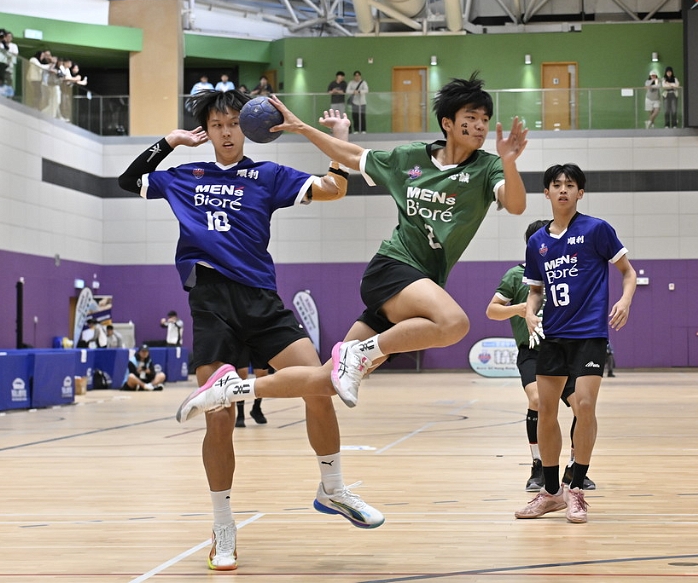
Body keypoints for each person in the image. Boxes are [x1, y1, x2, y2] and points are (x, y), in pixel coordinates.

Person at [119, 88, 382, 571]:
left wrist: (340, 140)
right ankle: (223, 524)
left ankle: (333, 487)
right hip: (211, 303)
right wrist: (170, 141)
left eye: (234, 123)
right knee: (219, 418)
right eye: (217, 125)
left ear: (248, 127)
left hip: (261, 301)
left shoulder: (268, 175)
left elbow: (334, 188)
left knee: (320, 385)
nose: (226, 132)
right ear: (206, 131)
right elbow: (128, 179)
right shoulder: (184, 177)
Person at [176, 74, 529, 418]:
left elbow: (515, 205)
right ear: (448, 123)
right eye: (472, 117)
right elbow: (351, 156)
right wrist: (302, 128)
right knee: (454, 323)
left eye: (485, 119)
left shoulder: (489, 168)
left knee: (325, 381)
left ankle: (233, 390)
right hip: (392, 269)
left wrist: (510, 164)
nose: (481, 126)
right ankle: (357, 354)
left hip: (421, 284)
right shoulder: (410, 159)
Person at [515, 163, 636, 524]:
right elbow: (535, 290)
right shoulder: (537, 243)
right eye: (557, 185)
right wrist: (530, 312)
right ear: (547, 193)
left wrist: (625, 300)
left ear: (580, 193)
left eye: (570, 185)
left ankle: (577, 488)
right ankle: (552, 492)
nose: (563, 190)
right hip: (553, 336)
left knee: (584, 405)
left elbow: (628, 272)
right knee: (545, 411)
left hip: (589, 334)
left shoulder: (597, 229)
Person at [487, 219, 595, 493]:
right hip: (533, 352)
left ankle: (575, 466)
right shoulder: (516, 275)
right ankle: (538, 465)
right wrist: (520, 308)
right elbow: (492, 310)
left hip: (567, 350)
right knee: (537, 400)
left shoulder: (569, 273)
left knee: (582, 407)